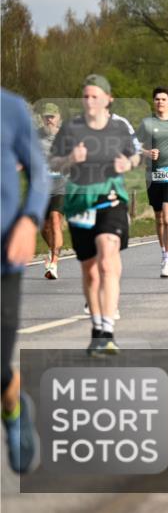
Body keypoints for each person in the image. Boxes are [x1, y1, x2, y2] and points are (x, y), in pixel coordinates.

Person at [50, 75, 140, 355]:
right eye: (86, 96)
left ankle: (107, 331)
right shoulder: (71, 128)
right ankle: (97, 329)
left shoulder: (119, 127)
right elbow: (53, 161)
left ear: (108, 99)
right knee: (90, 271)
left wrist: (128, 163)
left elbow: (136, 155)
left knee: (107, 260)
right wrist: (69, 159)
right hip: (80, 203)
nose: (90, 101)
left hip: (110, 199)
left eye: (95, 96)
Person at [2, 88, 50, 473]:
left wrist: (29, 220)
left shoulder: (12, 109)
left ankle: (14, 406)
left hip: (4, 258)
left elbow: (40, 176)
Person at [137, 87, 168, 277]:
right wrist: (146, 153)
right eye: (157, 99)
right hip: (153, 175)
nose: (160, 102)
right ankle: (164, 251)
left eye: (164, 99)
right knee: (158, 217)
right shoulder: (147, 123)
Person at [36, 103, 65, 280]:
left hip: (61, 185)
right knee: (44, 227)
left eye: (52, 116)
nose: (49, 120)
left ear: (58, 117)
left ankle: (54, 263)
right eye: (46, 116)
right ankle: (52, 249)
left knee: (55, 220)